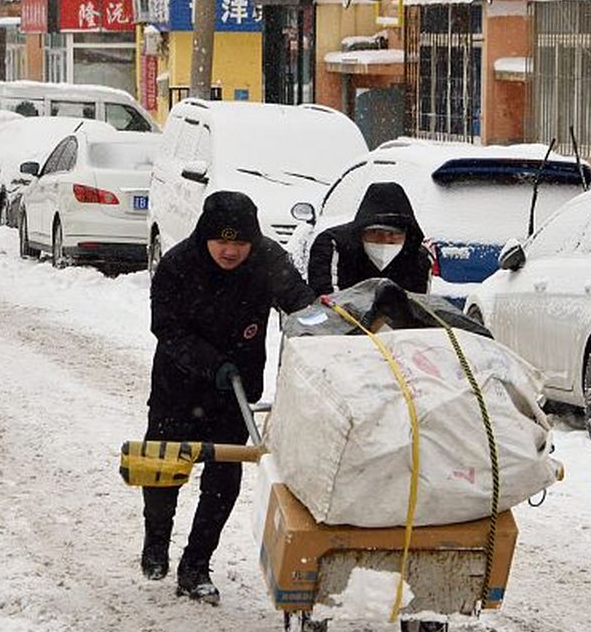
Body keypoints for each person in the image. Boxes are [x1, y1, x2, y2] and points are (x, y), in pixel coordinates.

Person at [144, 191, 314, 603]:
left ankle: (196, 565)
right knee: (163, 471)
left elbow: (299, 301)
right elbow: (167, 330)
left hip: (235, 393)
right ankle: (156, 540)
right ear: (205, 236)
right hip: (178, 388)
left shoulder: (266, 260)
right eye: (222, 242)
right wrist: (211, 363)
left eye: (240, 243)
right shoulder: (177, 266)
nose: (231, 250)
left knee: (223, 481)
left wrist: (324, 324)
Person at [305, 181, 432, 297]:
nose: (385, 240)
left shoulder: (419, 260)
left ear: (407, 235)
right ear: (361, 232)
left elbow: (419, 308)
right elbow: (326, 300)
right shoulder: (333, 246)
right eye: (376, 233)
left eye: (393, 234)